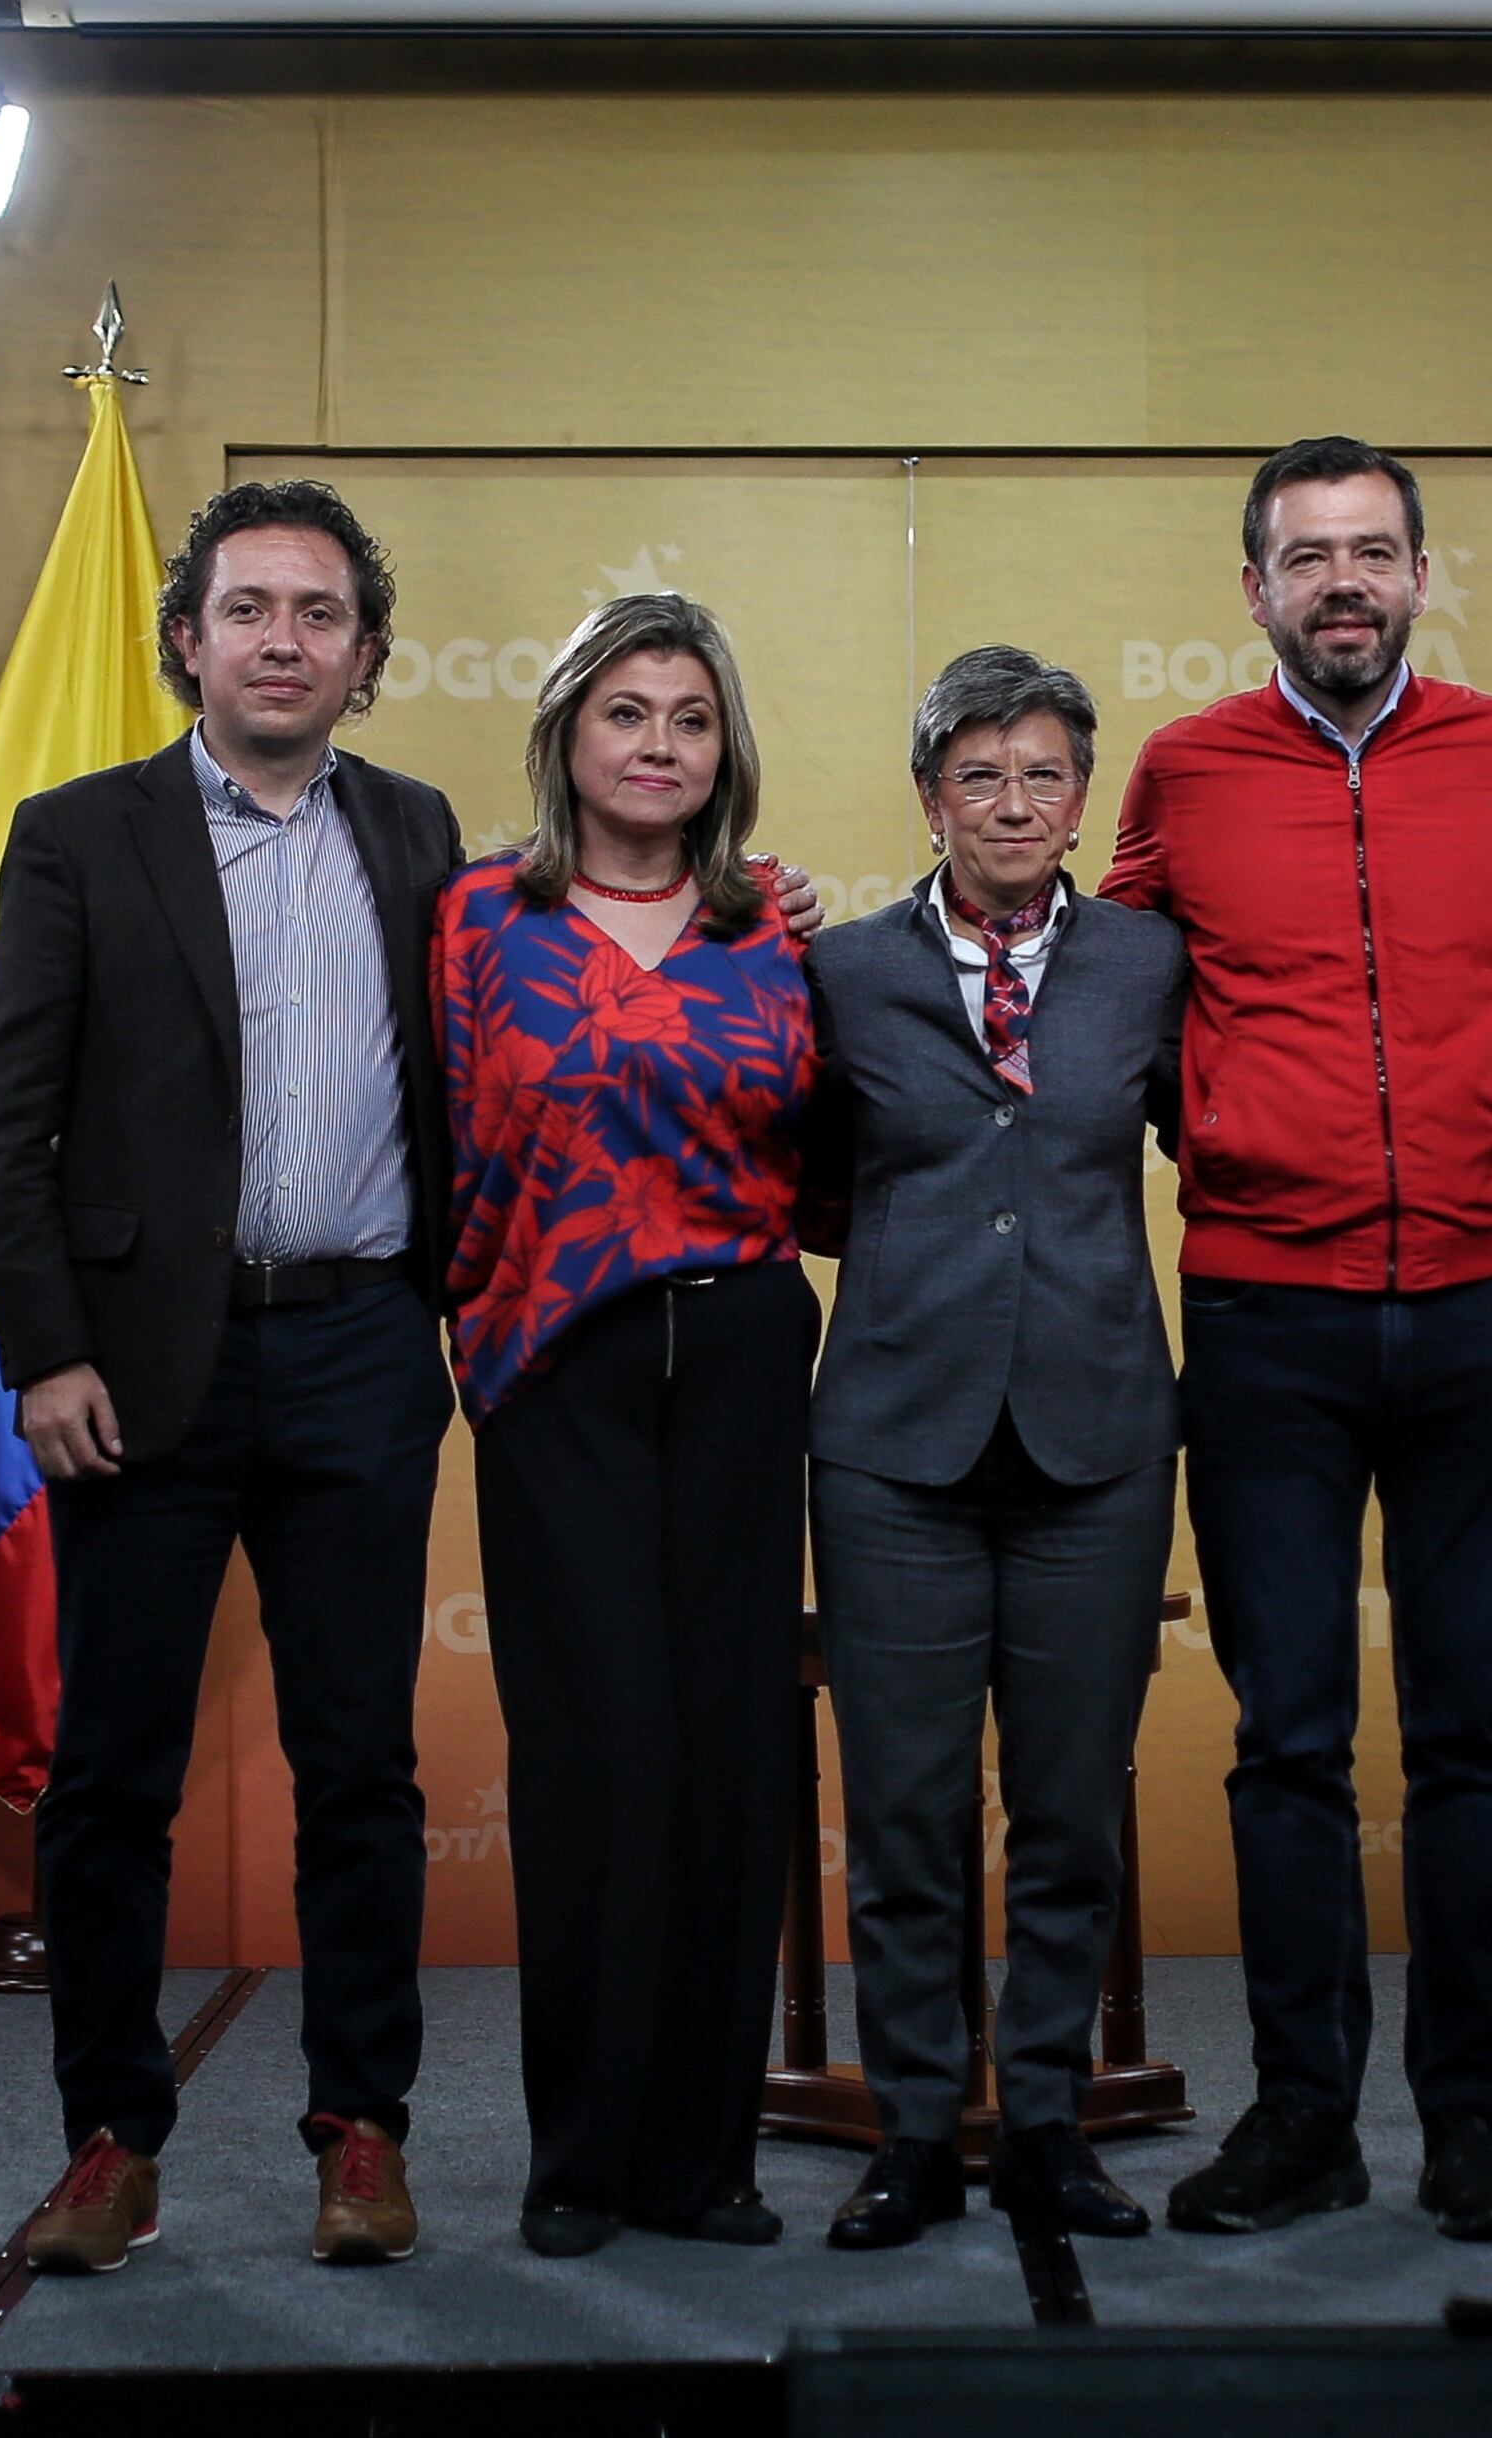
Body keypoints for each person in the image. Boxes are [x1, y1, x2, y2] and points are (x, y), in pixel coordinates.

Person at [1098, 438, 1492, 2244]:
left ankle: (1471, 2122)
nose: (1345, 583)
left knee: (1472, 1733)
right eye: (1308, 559)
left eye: (1374, 552)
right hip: (1263, 1318)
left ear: (1420, 572)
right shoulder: (1183, 770)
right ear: (1255, 592)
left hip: (1481, 1304)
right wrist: (1218, 1126)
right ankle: (1304, 2118)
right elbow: (1123, 996)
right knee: (1287, 1738)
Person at [0, 480, 456, 2274]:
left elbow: (525, 1022)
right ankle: (109, 2140)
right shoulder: (77, 835)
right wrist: (46, 1352)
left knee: (362, 1773)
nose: (281, 640)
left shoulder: (422, 836)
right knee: (112, 1779)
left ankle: (363, 2130)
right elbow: (7, 1120)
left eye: (319, 615)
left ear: (367, 657)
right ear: (188, 639)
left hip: (357, 1352)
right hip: (139, 1373)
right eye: (248, 608)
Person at [431, 591, 820, 2259]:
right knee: (601, 1760)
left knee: (734, 1756)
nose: (657, 746)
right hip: (554, 1369)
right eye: (626, 714)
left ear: (724, 749)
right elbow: (430, 1144)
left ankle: (703, 2161)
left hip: (739, 1359)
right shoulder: (472, 921)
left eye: (690, 718)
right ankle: (579, 2157)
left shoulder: (780, 931)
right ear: (567, 739)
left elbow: (840, 1154)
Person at [800, 647, 1190, 2252]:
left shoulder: (1155, 964)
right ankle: (910, 2127)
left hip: (1097, 1437)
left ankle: (1044, 2124)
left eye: (1044, 773)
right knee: (902, 1810)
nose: (1015, 803)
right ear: (929, 796)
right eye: (981, 775)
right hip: (895, 1437)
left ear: (1083, 795)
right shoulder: (838, 973)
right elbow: (802, 1180)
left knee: (1070, 1807)